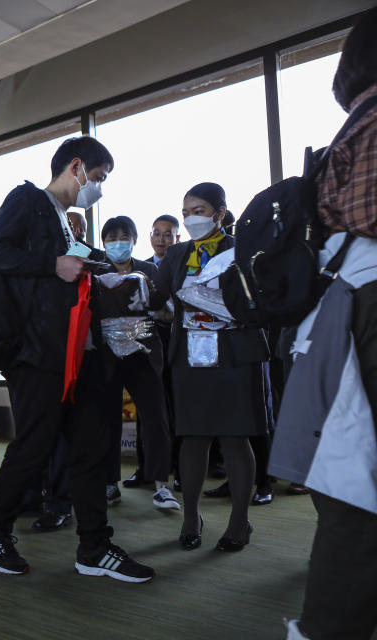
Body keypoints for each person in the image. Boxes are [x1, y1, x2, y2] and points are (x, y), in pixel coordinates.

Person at [0, 135, 154, 581]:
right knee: (33, 446)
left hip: (78, 351)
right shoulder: (28, 199)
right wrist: (53, 264)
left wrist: (97, 272)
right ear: (76, 166)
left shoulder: (62, 221)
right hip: (37, 352)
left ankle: (94, 545)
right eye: (98, 177)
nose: (99, 187)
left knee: (91, 448)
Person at [283, 10, 377, 639]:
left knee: (351, 480)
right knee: (356, 491)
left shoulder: (354, 126)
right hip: (366, 307)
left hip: (341, 313)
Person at [153, 182, 269, 553]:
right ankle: (191, 517)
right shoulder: (176, 255)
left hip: (233, 353)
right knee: (194, 436)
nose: (191, 219)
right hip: (191, 353)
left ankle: (240, 521)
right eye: (186, 211)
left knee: (236, 437)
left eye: (199, 211)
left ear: (220, 213)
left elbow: (259, 300)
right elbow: (162, 302)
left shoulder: (243, 250)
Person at [93, 216, 179, 511]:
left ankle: (161, 485)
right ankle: (108, 483)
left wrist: (155, 307)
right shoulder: (95, 271)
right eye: (112, 238)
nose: (118, 243)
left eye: (124, 237)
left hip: (144, 351)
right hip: (106, 354)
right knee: (106, 420)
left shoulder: (149, 270)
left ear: (134, 239)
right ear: (104, 243)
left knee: (155, 417)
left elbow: (167, 313)